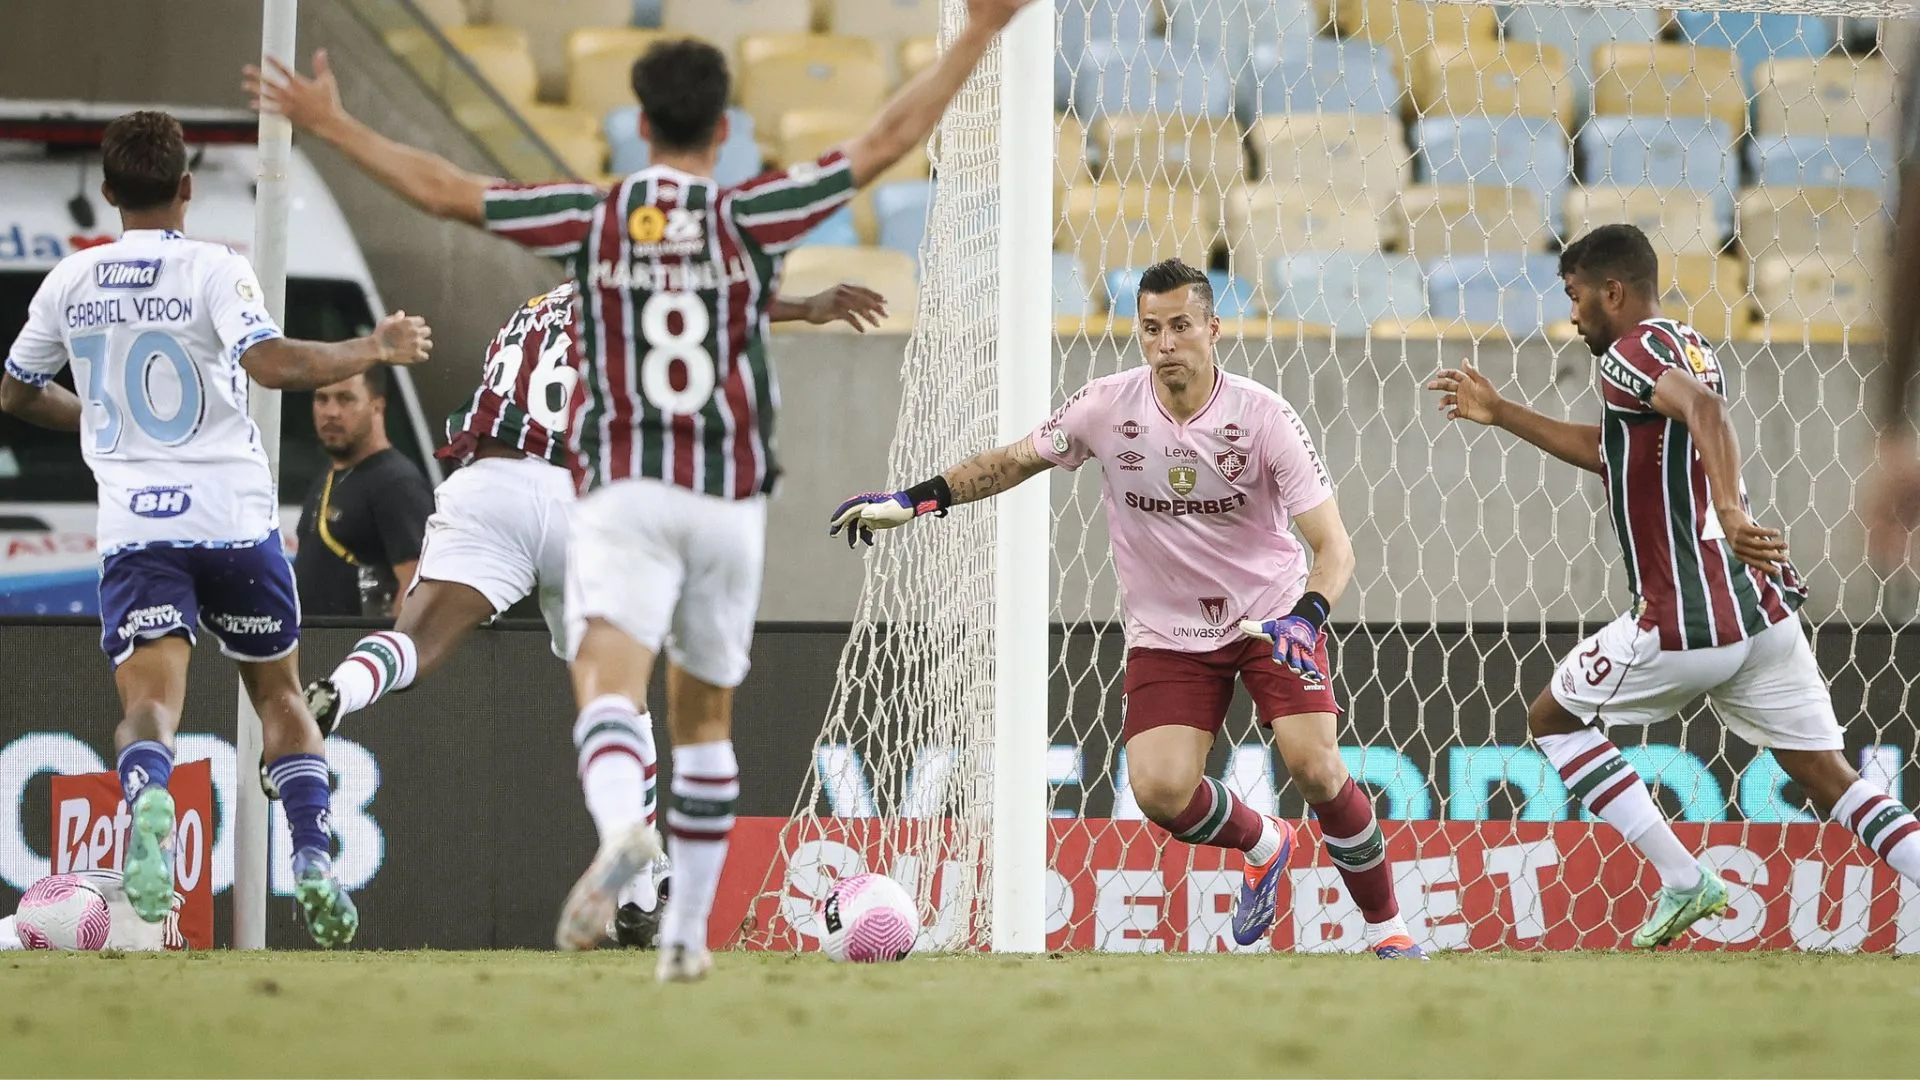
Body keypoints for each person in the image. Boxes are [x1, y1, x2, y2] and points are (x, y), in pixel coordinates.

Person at [245, 0, 1030, 981]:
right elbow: (885, 139)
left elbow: (448, 191)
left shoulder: (598, 225)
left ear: (642, 126)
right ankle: (675, 923)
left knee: (594, 692)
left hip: (605, 491)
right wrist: (978, 33)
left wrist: (333, 124)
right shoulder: (749, 218)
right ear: (727, 128)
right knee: (701, 721)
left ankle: (617, 833)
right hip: (721, 492)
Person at [832, 259, 1427, 959]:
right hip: (1168, 632)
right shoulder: (1106, 408)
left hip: (1270, 618)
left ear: (1213, 328)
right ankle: (1266, 842)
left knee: (1316, 766)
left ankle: (1389, 932)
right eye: (1151, 329)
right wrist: (915, 498)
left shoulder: (1264, 418)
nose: (1166, 342)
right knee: (1160, 790)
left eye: (1180, 326)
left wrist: (1308, 616)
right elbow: (1014, 460)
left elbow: (1334, 548)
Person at [291, 278, 887, 951]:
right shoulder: (638, 286)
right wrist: (805, 308)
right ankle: (637, 890)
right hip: (584, 500)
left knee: (416, 640)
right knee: (619, 692)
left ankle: (339, 691)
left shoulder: (530, 311)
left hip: (492, 484)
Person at [0, 109, 432, 946]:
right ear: (187, 189)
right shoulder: (214, 269)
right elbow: (272, 364)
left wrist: (94, 414)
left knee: (150, 709)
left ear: (108, 191)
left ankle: (148, 798)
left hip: (138, 530)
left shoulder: (69, 282)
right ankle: (311, 854)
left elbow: (14, 394)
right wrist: (370, 346)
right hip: (234, 520)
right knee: (278, 694)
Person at [1427, 223, 1920, 948]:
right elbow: (1613, 449)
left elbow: (1706, 413)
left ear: (1611, 291)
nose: (1571, 314)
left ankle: (1686, 880)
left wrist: (1728, 508)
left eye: (1574, 296)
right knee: (1833, 780)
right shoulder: (1686, 343)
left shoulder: (1630, 353)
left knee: (1553, 721)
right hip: (1762, 614)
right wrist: (1502, 414)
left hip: (1687, 620)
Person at [294, 365, 434, 617]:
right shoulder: (330, 475)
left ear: (377, 406)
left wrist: (383, 651)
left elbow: (417, 586)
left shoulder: (396, 483)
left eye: (346, 399)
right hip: (315, 647)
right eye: (321, 399)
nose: (331, 412)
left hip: (358, 649)